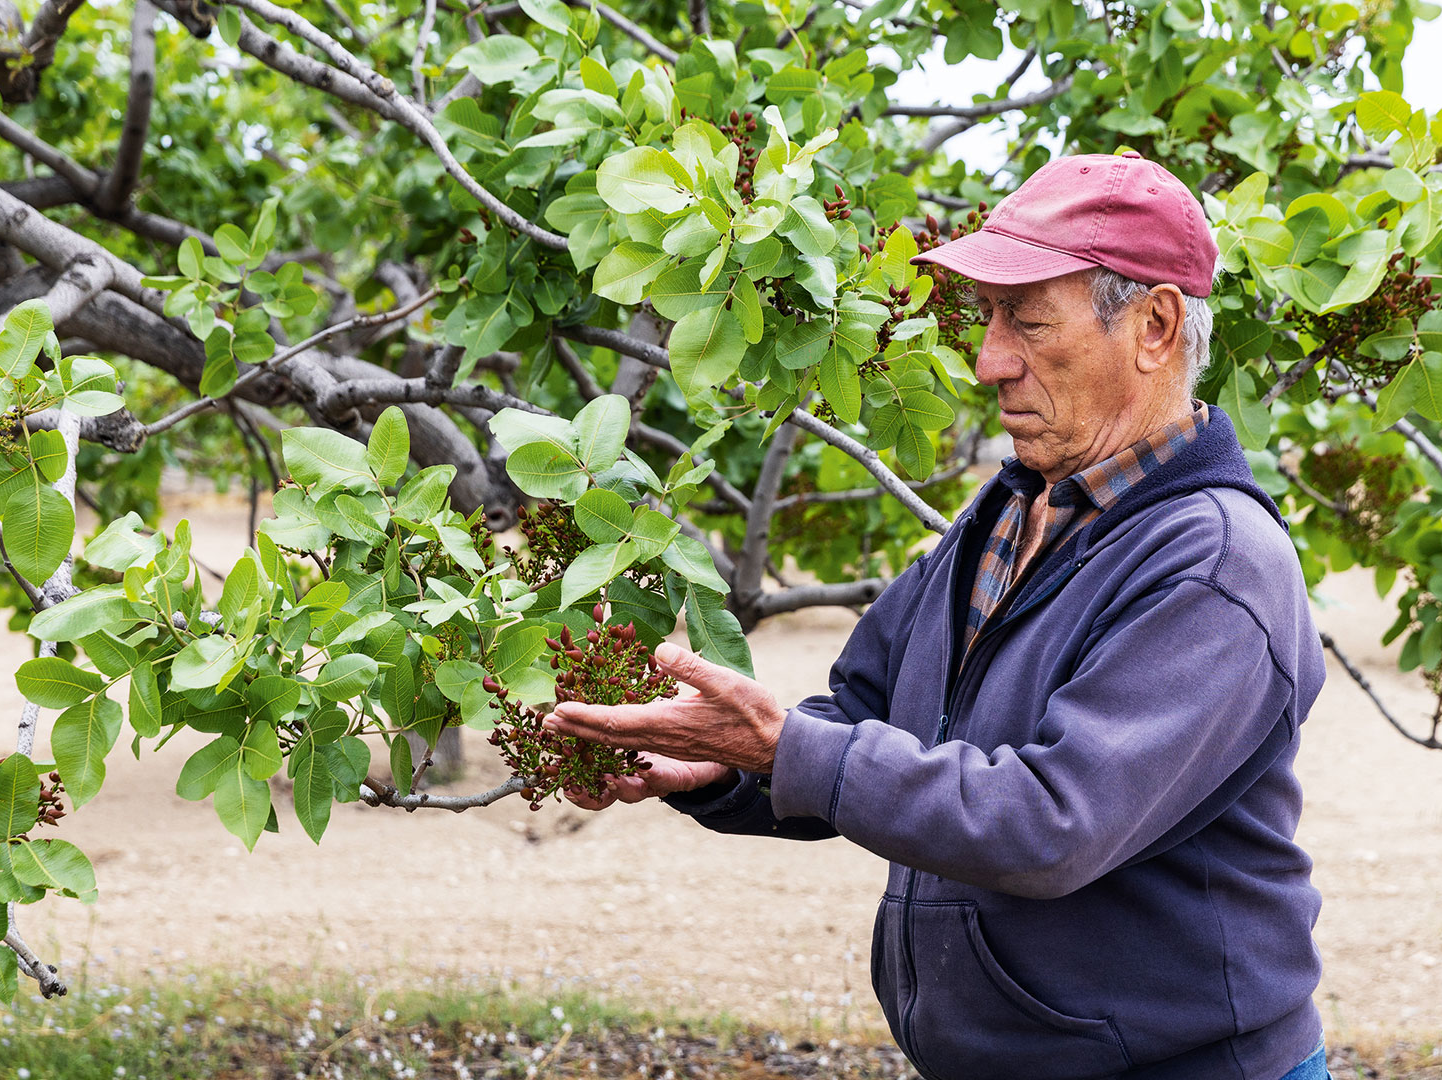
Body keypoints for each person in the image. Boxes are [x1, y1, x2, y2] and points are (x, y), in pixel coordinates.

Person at [545, 151, 1331, 1080]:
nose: (990, 361)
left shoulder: (1215, 563)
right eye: (990, 317)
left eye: (1028, 320)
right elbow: (859, 719)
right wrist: (721, 766)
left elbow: (1050, 823)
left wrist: (783, 748)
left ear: (1154, 327)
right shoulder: (1007, 515)